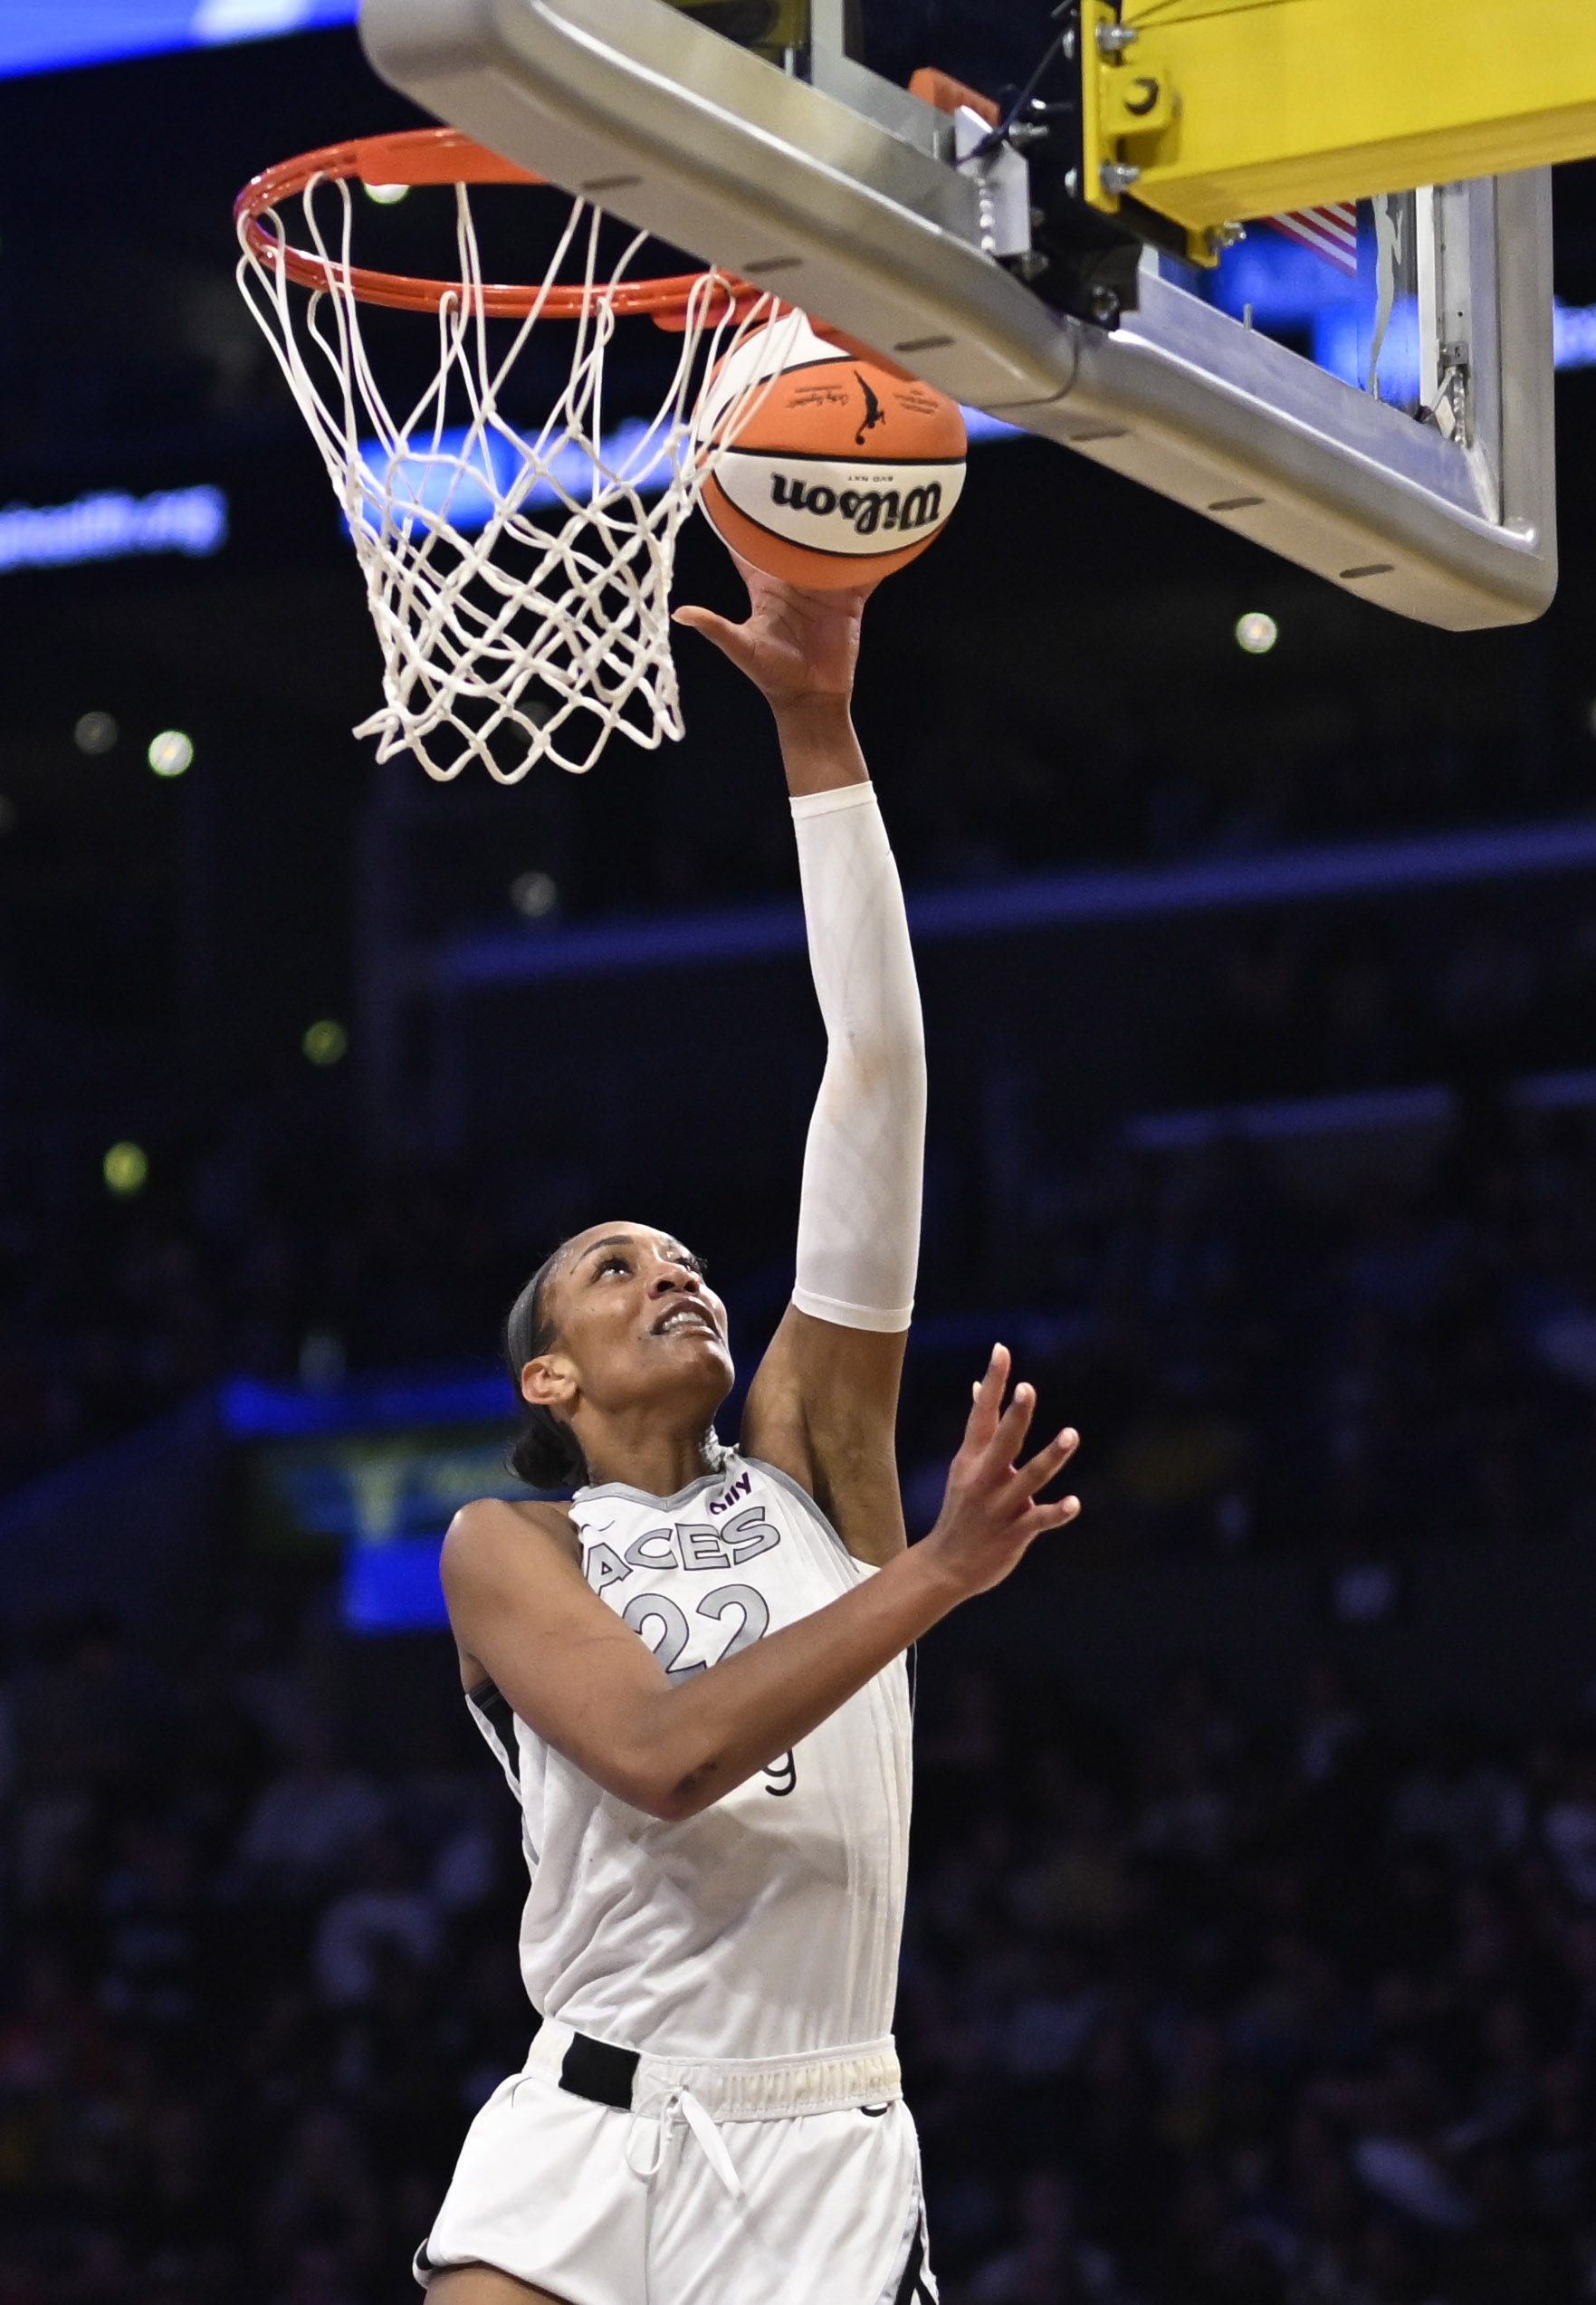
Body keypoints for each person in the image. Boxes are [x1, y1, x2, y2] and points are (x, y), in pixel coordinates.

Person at [418, 560, 1082, 2305]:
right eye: (613, 1270)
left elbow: (875, 1066)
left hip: (822, 2138)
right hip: (591, 2119)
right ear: (545, 1378)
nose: (674, 1276)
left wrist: (819, 734)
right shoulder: (513, 1545)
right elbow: (659, 1757)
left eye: (690, 1259)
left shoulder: (808, 1453)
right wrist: (932, 1574)